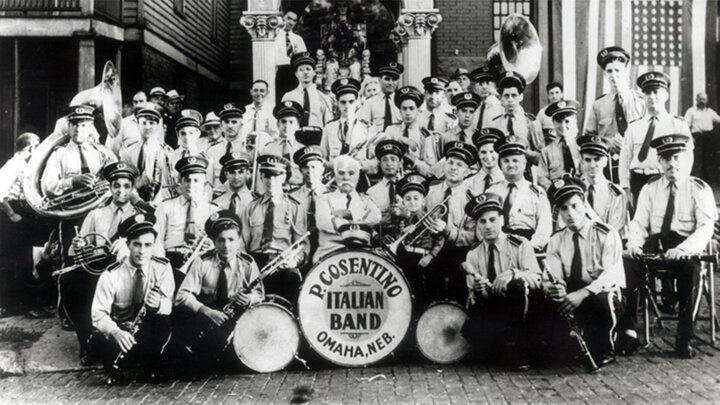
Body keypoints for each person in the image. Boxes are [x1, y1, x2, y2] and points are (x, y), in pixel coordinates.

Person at [620, 134, 717, 358]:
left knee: (692, 272)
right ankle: (629, 333)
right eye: (665, 158)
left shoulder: (699, 189)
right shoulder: (650, 189)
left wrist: (683, 249)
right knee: (629, 263)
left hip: (685, 250)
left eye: (676, 157)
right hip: (656, 249)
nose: (671, 163)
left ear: (685, 159)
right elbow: (639, 224)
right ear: (659, 161)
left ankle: (684, 338)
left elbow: (705, 228)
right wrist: (634, 244)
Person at [543, 177, 625, 369]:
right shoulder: (556, 240)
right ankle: (562, 345)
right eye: (564, 208)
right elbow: (553, 277)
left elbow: (611, 276)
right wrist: (555, 288)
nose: (570, 213)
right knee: (545, 299)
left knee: (602, 300)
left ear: (584, 205)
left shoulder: (606, 233)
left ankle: (605, 349)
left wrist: (583, 293)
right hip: (572, 294)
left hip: (601, 293)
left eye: (574, 205)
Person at [174, 210, 263, 376]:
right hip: (208, 314)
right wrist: (206, 311)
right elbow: (182, 296)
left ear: (239, 241)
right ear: (214, 242)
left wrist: (248, 299)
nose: (226, 245)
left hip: (234, 315)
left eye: (231, 240)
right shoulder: (202, 261)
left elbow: (260, 295)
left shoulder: (248, 263)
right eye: (221, 240)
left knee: (231, 364)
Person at [460, 192, 541, 369]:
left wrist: (514, 273)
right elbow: (472, 297)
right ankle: (500, 346)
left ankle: (521, 348)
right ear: (477, 225)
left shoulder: (519, 244)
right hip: (493, 305)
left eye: (492, 219)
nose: (488, 226)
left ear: (502, 220)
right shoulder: (473, 253)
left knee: (517, 287)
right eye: (482, 221)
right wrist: (479, 290)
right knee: (473, 338)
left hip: (520, 306)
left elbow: (537, 278)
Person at [91, 213, 175, 385]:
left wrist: (158, 305)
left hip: (148, 329)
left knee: (163, 324)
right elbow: (98, 314)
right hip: (120, 331)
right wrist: (115, 332)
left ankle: (151, 363)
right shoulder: (111, 274)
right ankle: (117, 365)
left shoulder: (163, 267)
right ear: (128, 244)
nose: (142, 251)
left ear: (154, 246)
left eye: (147, 245)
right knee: (103, 344)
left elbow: (169, 306)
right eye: (137, 244)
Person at [41, 105, 117, 263]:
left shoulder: (101, 152)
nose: (78, 129)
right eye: (74, 124)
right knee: (70, 260)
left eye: (83, 125)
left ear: (90, 127)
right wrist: (72, 181)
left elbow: (117, 180)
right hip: (72, 216)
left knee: (98, 258)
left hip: (99, 213)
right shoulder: (59, 154)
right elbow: (47, 186)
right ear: (68, 127)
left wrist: (108, 186)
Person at [240, 154, 308, 303]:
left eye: (276, 176)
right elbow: (242, 244)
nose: (271, 181)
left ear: (284, 177)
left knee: (292, 285)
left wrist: (294, 261)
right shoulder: (250, 208)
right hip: (256, 262)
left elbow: (302, 245)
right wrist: (246, 267)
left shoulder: (296, 207)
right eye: (267, 176)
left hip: (283, 262)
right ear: (261, 177)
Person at [619, 71, 692, 206]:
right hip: (638, 183)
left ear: (666, 95)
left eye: (656, 91)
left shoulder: (677, 125)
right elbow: (624, 160)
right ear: (643, 97)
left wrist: (680, 185)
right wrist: (626, 188)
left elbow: (688, 158)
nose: (651, 97)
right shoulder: (633, 128)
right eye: (647, 93)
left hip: (665, 181)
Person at [423, 141, 478, 304]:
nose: (454, 168)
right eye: (451, 162)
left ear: (467, 171)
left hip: (458, 253)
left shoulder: (471, 199)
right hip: (431, 249)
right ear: (444, 165)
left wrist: (448, 231)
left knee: (457, 293)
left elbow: (473, 237)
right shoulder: (431, 191)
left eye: (460, 165)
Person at [584, 46, 645, 184]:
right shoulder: (598, 106)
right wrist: (606, 143)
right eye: (609, 71)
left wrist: (628, 144)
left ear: (625, 71)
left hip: (636, 165)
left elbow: (650, 133)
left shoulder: (641, 102)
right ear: (605, 74)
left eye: (617, 70)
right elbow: (588, 138)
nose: (613, 75)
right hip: (608, 168)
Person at [154, 156, 218, 286]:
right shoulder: (165, 207)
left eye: (196, 180)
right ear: (180, 182)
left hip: (201, 262)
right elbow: (157, 239)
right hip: (170, 259)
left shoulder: (212, 210)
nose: (191, 185)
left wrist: (212, 247)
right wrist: (162, 265)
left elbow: (219, 242)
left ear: (205, 185)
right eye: (187, 180)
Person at [0, 133, 41, 317]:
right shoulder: (14, 165)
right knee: (15, 260)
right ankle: (16, 306)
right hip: (12, 216)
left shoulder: (22, 165)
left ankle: (21, 304)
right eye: (37, 145)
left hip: (21, 214)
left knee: (24, 259)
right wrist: (12, 214)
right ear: (30, 147)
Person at [487, 135, 552, 251]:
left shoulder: (537, 193)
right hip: (497, 247)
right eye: (506, 161)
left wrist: (528, 250)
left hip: (529, 248)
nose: (511, 165)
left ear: (524, 164)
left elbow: (544, 229)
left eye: (515, 160)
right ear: (500, 165)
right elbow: (484, 224)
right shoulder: (491, 191)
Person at [315, 155, 381, 261]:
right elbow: (323, 223)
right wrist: (361, 220)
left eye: (351, 173)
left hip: (361, 254)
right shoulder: (324, 199)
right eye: (341, 173)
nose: (346, 177)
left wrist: (348, 214)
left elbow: (376, 218)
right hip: (329, 255)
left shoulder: (366, 200)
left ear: (358, 177)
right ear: (335, 176)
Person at [388, 173, 432, 314]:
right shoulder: (402, 220)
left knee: (422, 294)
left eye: (416, 198)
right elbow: (397, 241)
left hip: (422, 259)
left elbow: (439, 240)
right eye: (408, 199)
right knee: (406, 291)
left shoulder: (430, 217)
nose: (412, 202)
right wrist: (404, 232)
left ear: (423, 201)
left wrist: (431, 256)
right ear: (404, 202)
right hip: (405, 258)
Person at [488, 71, 543, 176]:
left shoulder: (531, 122)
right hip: (499, 175)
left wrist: (527, 153)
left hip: (524, 174)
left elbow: (541, 157)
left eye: (514, 95)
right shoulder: (494, 123)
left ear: (520, 97)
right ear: (500, 98)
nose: (510, 100)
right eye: (506, 96)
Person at [119, 103, 174, 203]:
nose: (147, 127)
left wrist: (156, 202)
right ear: (137, 124)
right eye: (143, 123)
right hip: (134, 203)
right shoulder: (128, 152)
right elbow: (124, 181)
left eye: (152, 123)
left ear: (158, 125)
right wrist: (138, 197)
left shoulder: (166, 152)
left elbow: (169, 183)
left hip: (160, 203)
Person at [577, 135, 627, 235]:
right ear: (582, 162)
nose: (592, 165)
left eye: (597, 159)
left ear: (605, 161)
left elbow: (614, 232)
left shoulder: (616, 194)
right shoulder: (576, 191)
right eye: (587, 160)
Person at [381, 86, 433, 177]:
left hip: (416, 179)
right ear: (400, 111)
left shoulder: (425, 135)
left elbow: (430, 171)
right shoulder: (391, 130)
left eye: (411, 108)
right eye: (404, 109)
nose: (408, 112)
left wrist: (413, 160)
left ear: (418, 111)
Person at [320, 78, 371, 170]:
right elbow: (323, 157)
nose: (347, 106)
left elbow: (373, 161)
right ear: (337, 103)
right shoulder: (329, 127)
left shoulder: (367, 127)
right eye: (343, 102)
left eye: (351, 102)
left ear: (357, 102)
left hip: (359, 176)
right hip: (333, 176)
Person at [291, 145, 328, 262]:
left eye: (313, 167)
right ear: (301, 170)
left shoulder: (332, 196)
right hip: (299, 251)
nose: (309, 171)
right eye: (306, 167)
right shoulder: (291, 197)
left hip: (326, 250)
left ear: (322, 169)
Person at [537, 100, 580, 190]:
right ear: (553, 122)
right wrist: (554, 191)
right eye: (559, 121)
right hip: (555, 194)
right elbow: (542, 178)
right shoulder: (546, 151)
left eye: (567, 121)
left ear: (574, 121)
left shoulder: (580, 148)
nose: (563, 126)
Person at [260, 101, 306, 186]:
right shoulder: (268, 149)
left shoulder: (303, 150)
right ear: (277, 124)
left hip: (297, 192)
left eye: (291, 122)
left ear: (298, 125)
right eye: (283, 121)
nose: (287, 125)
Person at [282, 52, 333, 127]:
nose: (305, 72)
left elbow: (329, 125)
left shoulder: (324, 97)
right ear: (296, 74)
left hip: (317, 136)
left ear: (314, 72)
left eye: (308, 69)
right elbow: (282, 122)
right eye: (301, 70)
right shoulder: (288, 97)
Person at [367, 139, 404, 234]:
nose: (389, 163)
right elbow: (367, 222)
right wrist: (379, 223)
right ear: (380, 163)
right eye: (385, 159)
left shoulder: (409, 188)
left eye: (393, 159)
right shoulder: (371, 192)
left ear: (400, 163)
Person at [358, 62, 404, 133]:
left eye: (394, 79)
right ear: (379, 80)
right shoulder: (370, 103)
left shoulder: (402, 101)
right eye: (387, 79)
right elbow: (364, 129)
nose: (391, 83)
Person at [684, 92, 720, 178]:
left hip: (709, 138)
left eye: (704, 99)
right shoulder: (691, 111)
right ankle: (695, 179)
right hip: (697, 137)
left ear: (707, 100)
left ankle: (709, 180)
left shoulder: (710, 112)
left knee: (709, 158)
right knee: (697, 159)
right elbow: (685, 125)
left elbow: (718, 120)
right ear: (696, 99)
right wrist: (690, 137)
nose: (702, 101)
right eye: (700, 99)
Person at [274, 10, 307, 104]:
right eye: (289, 18)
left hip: (294, 73)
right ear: (282, 17)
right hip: (280, 71)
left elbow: (303, 58)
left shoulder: (297, 39)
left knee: (294, 100)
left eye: (294, 20)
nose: (291, 22)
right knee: (280, 99)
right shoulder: (274, 36)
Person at [213, 151, 253, 217]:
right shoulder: (216, 202)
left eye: (241, 172)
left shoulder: (255, 202)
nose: (236, 177)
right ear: (226, 174)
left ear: (248, 173)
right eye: (232, 172)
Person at [464, 128, 504, 194]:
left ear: (498, 152)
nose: (488, 157)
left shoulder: (507, 181)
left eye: (491, 152)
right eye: (483, 152)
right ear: (478, 154)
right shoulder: (468, 183)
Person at [108, 91, 147, 155]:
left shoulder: (153, 123)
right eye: (135, 102)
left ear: (146, 102)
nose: (138, 105)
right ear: (132, 104)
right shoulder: (123, 123)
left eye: (141, 101)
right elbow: (114, 148)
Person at [469, 65, 503, 131]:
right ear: (474, 89)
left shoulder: (501, 107)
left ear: (495, 87)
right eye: (480, 84)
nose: (484, 87)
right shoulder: (474, 107)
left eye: (488, 83)